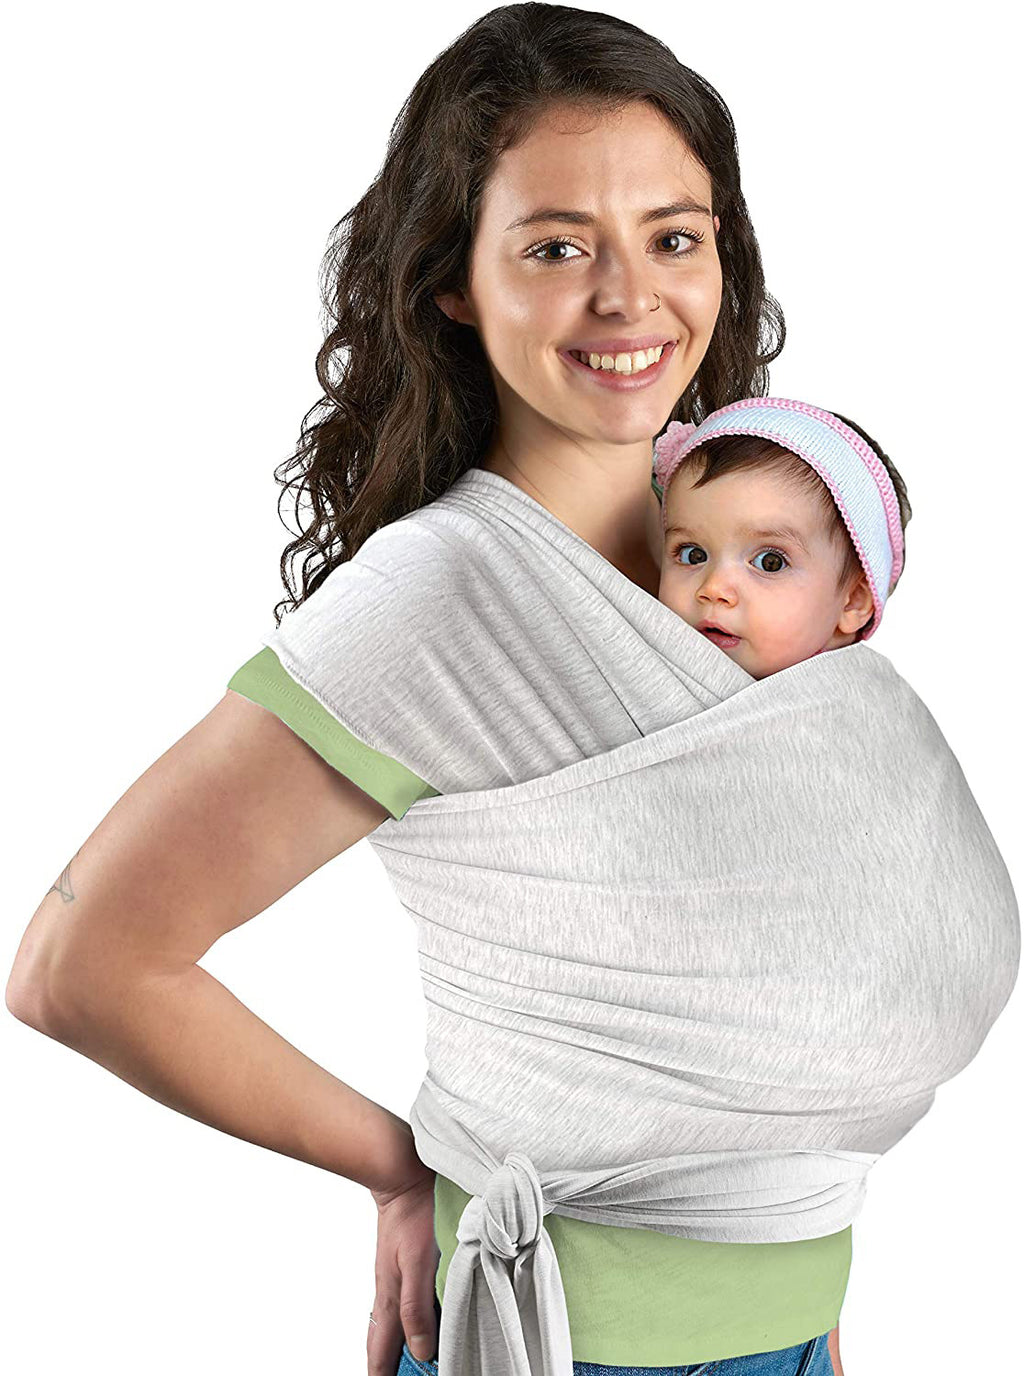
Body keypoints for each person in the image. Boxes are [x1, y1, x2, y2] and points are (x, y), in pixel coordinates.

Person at [7, 6, 867, 1373]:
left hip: (795, 1325)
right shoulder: (444, 596)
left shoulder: (753, 541)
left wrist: (815, 1307)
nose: (630, 297)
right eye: (555, 247)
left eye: (674, 236)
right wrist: (404, 1166)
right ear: (454, 278)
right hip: (571, 1343)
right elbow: (82, 966)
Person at [651, 398, 912, 675]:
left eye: (770, 562)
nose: (714, 589)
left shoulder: (850, 708)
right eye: (693, 555)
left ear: (853, 601)